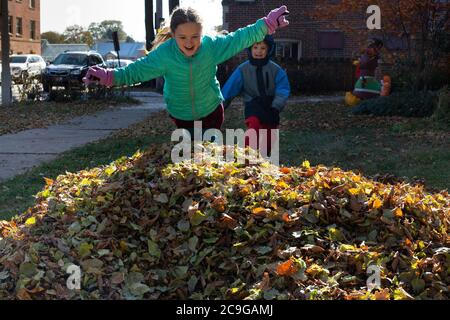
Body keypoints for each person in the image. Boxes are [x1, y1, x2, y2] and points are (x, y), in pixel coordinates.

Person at [83, 6, 290, 135]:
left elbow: (239, 38)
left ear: (202, 33)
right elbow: (135, 71)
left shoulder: (210, 48)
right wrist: (108, 76)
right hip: (181, 113)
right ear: (173, 35)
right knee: (188, 155)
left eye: (195, 37)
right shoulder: (165, 55)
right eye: (183, 38)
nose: (190, 43)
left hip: (211, 110)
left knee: (207, 157)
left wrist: (268, 24)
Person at [221, 35, 290, 156]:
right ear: (250, 49)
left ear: (269, 50)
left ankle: (264, 157)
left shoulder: (276, 70)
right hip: (252, 104)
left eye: (263, 48)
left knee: (269, 134)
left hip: (271, 106)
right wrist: (219, 107)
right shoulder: (243, 69)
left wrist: (276, 106)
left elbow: (282, 90)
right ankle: (246, 154)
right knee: (254, 126)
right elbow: (230, 89)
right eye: (255, 47)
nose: (259, 51)